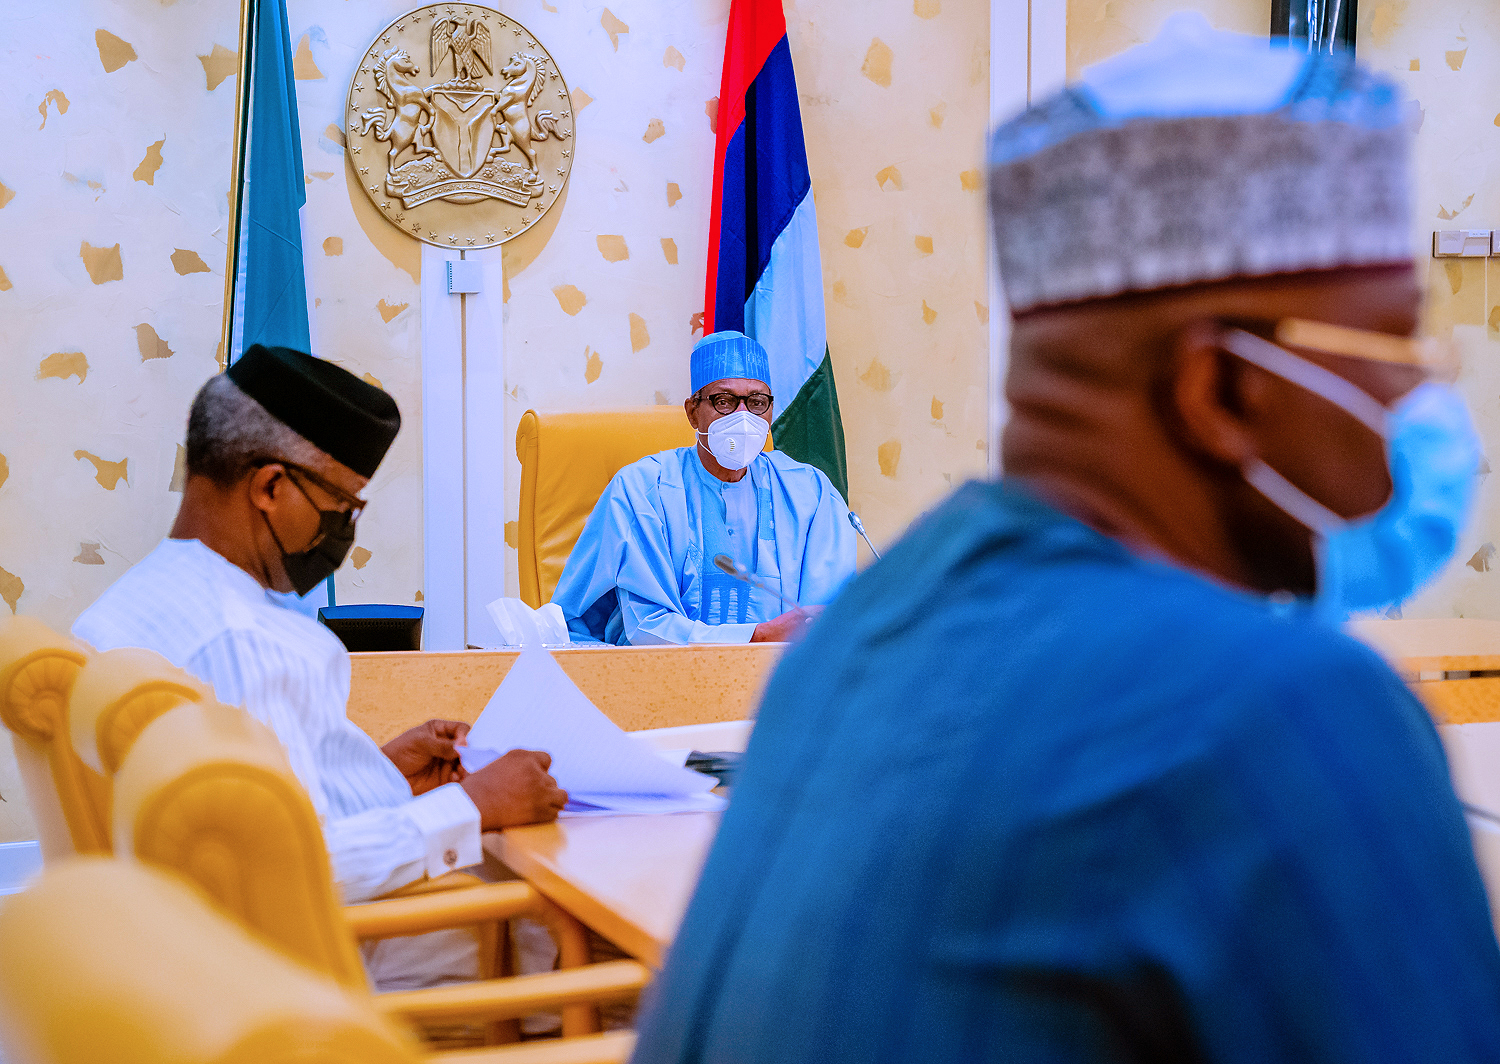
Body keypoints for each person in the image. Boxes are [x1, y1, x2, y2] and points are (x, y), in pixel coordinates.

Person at [631, 16, 1500, 1063]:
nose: (1424, 392)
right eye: (1393, 341)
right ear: (1221, 388)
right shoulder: (1282, 713)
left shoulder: (868, 626)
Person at [73, 344, 567, 989]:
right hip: (333, 965)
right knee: (603, 931)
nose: (345, 530)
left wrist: (381, 774)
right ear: (271, 488)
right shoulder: (242, 639)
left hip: (183, 953)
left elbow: (228, 811)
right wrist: (472, 805)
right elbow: (288, 867)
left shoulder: (129, 608)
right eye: (343, 505)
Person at [552, 330, 855, 645]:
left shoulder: (810, 492)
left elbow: (825, 621)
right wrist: (757, 636)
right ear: (692, 412)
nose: (743, 417)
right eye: (724, 401)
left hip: (782, 671)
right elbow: (647, 629)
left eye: (757, 402)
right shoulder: (643, 490)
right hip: (664, 671)